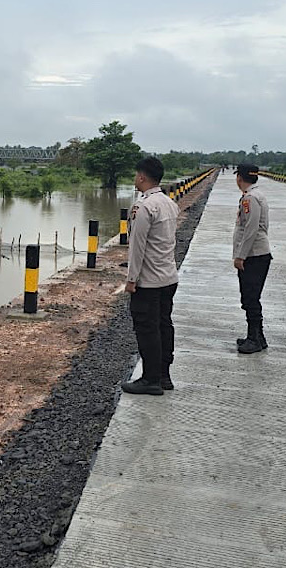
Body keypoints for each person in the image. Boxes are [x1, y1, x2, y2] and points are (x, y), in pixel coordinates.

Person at [121, 156, 180, 395]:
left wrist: (131, 279)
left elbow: (137, 246)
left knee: (147, 329)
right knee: (164, 325)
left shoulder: (143, 206)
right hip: (168, 276)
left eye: (137, 175)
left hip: (149, 280)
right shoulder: (168, 202)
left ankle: (150, 379)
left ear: (142, 177)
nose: (135, 178)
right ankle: (164, 374)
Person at [233, 163, 272, 354]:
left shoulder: (250, 198)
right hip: (257, 253)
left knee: (250, 297)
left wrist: (241, 256)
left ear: (239, 177)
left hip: (254, 255)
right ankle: (258, 336)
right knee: (251, 296)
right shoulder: (257, 195)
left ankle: (254, 339)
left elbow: (251, 229)